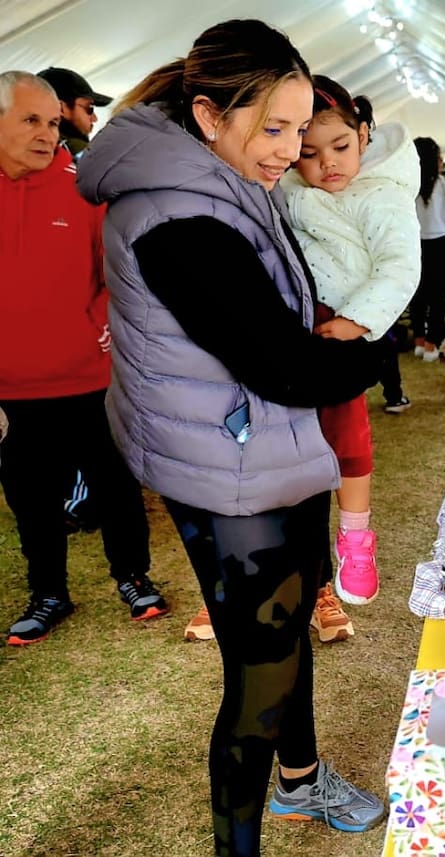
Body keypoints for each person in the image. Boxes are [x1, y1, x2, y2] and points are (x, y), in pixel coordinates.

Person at [76, 20, 386, 853]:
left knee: (285, 640)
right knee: (260, 675)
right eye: (274, 128)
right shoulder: (175, 212)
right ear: (209, 115)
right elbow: (283, 368)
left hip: (258, 448)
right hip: (228, 467)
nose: (290, 149)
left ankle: (302, 780)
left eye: (299, 127)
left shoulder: (212, 172)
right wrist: (381, 343)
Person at [0, 70, 168, 645]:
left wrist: (101, 322)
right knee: (30, 496)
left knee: (115, 482)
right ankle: (48, 592)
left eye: (51, 121)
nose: (48, 134)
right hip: (13, 393)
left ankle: (133, 576)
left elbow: (120, 270)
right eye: (30, 120)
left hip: (92, 378)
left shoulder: (83, 187)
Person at [282, 74, 421, 609]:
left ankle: (356, 540)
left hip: (345, 328)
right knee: (292, 442)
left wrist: (358, 321)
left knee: (347, 433)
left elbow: (400, 268)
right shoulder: (289, 188)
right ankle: (294, 562)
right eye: (308, 153)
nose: (327, 164)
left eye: (340, 146)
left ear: (365, 134)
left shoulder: (384, 195)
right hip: (297, 324)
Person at [38, 67, 114, 531]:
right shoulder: (82, 166)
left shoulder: (77, 163)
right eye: (87, 108)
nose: (92, 120)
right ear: (62, 106)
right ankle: (80, 498)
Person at [412, 136, 445, 360]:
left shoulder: (408, 182)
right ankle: (432, 346)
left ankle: (419, 342)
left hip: (415, 244)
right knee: (437, 297)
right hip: (441, 243)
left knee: (417, 294)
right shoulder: (444, 183)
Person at [36, 66, 111, 161]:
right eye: (89, 108)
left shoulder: (25, 147)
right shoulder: (76, 150)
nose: (94, 118)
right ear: (61, 108)